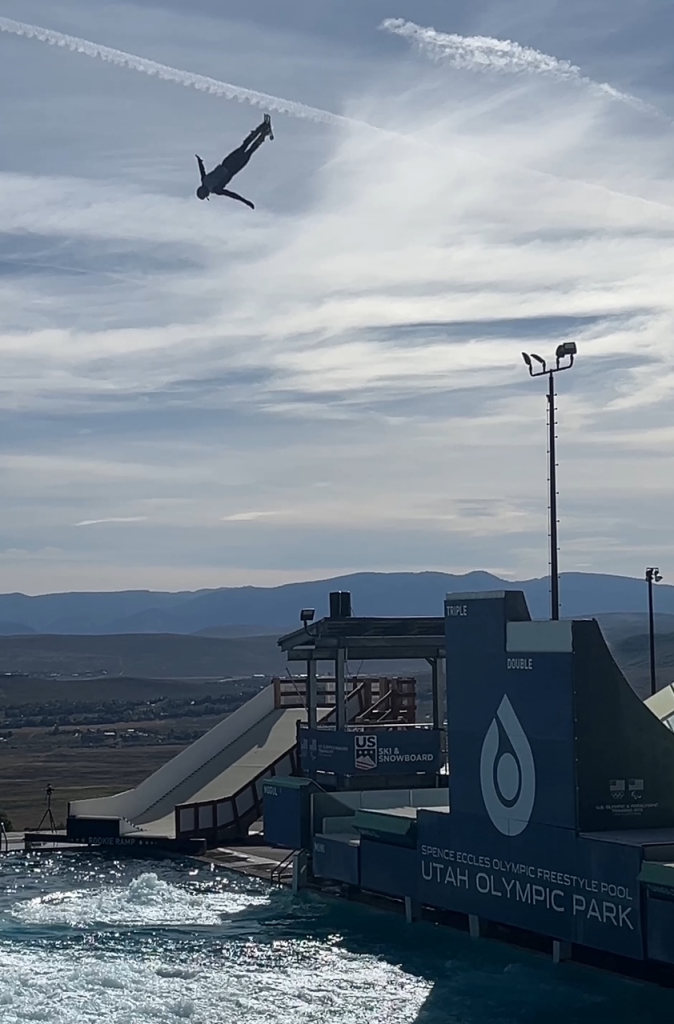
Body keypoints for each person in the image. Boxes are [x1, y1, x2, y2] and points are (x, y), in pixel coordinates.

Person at [195, 115, 273, 208]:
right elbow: (202, 170)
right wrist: (199, 161)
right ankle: (262, 127)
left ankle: (264, 132)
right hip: (227, 162)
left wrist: (246, 202)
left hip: (233, 168)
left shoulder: (216, 189)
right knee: (244, 146)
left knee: (249, 151)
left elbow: (232, 195)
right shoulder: (204, 181)